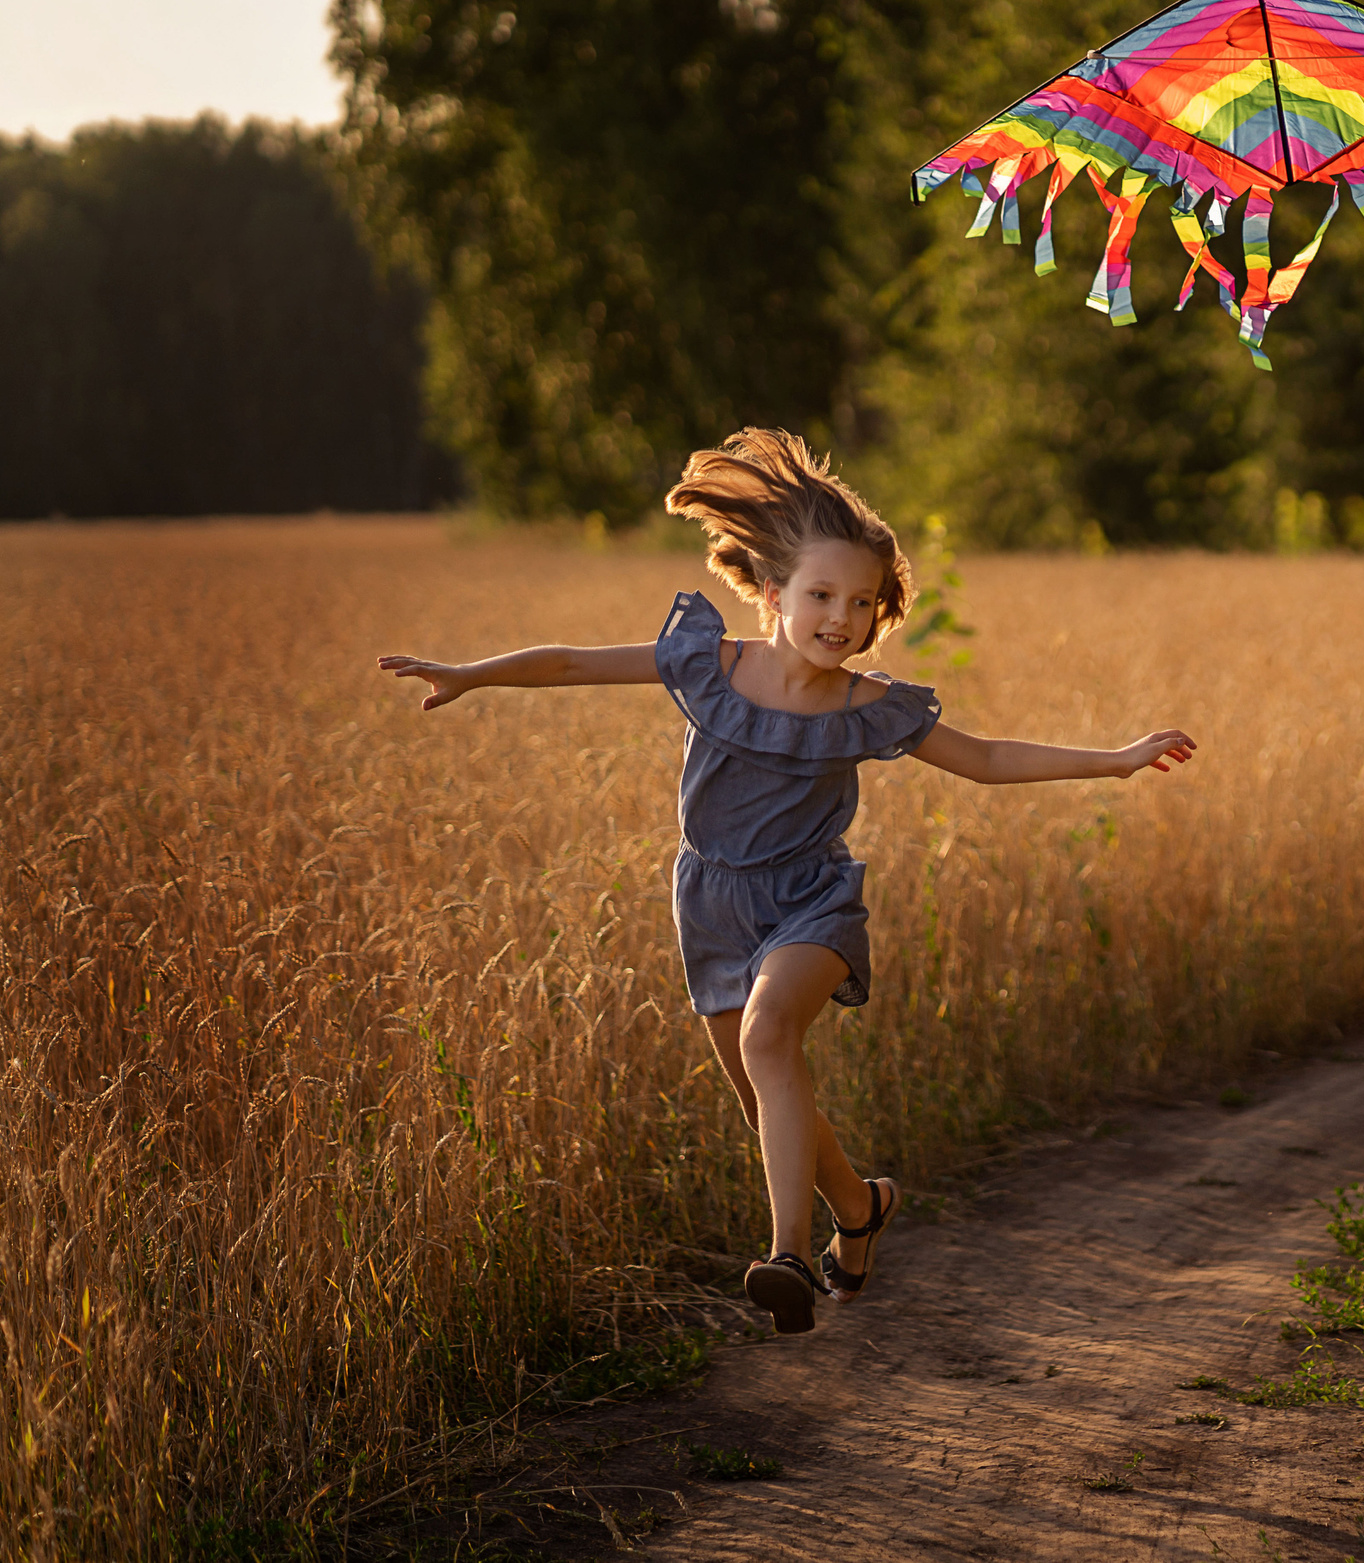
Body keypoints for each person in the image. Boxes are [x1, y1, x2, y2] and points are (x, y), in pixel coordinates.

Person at [379, 429, 1196, 1334]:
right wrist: (469, 675)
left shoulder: (867, 705)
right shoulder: (710, 663)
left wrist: (1115, 761)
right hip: (712, 902)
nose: (839, 617)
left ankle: (787, 1254)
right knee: (761, 1086)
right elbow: (571, 661)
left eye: (861, 600)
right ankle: (861, 1207)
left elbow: (990, 757)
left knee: (771, 1036)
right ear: (773, 592)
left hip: (811, 899)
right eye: (820, 594)